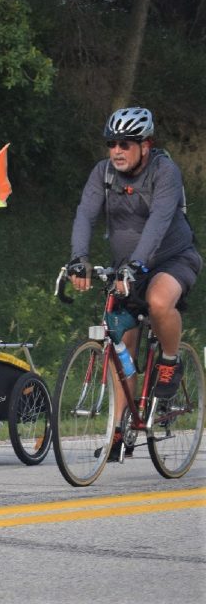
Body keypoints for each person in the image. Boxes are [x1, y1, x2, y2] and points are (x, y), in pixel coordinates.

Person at [68, 106, 202, 460]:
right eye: (112, 143)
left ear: (146, 145)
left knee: (159, 302)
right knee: (120, 346)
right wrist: (78, 259)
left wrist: (138, 265)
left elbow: (159, 221)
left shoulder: (165, 171)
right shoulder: (103, 173)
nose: (117, 150)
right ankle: (118, 431)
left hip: (173, 259)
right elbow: (85, 213)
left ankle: (171, 359)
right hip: (126, 267)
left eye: (126, 143)